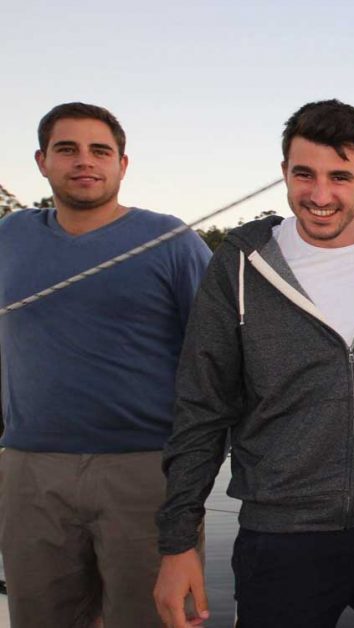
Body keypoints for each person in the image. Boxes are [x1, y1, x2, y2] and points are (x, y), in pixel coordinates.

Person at [153, 99, 354, 628]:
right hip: (282, 535)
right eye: (304, 174)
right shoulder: (239, 267)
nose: (319, 195)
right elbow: (202, 406)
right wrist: (178, 543)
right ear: (284, 173)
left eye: (340, 177)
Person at [0, 102, 211, 627]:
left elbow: (217, 355)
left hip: (145, 470)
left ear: (122, 164)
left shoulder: (172, 242)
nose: (84, 161)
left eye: (100, 150)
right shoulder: (11, 236)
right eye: (66, 149)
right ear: (42, 161)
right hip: (30, 471)